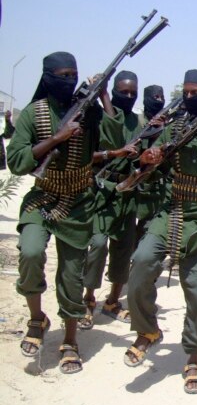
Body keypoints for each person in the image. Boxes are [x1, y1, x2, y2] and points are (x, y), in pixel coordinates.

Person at [124, 69, 197, 395]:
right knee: (142, 264)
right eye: (185, 94)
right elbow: (151, 163)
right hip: (173, 212)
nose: (189, 99)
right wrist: (150, 157)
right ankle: (148, 331)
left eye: (195, 94)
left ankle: (193, 355)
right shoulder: (175, 127)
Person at [7, 51, 103, 374]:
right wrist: (56, 139)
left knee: (71, 276)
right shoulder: (33, 114)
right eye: (62, 75)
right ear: (48, 77)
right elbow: (17, 161)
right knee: (31, 253)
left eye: (73, 75)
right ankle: (37, 318)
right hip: (43, 198)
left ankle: (70, 339)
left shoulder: (89, 113)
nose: (69, 80)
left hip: (77, 202)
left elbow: (118, 136)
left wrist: (102, 96)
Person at [80, 70, 142, 329]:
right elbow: (91, 151)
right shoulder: (95, 114)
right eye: (123, 91)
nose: (127, 96)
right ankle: (88, 300)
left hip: (127, 191)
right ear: (114, 90)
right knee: (97, 246)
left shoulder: (136, 121)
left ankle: (113, 301)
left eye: (132, 92)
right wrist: (103, 95)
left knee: (124, 248)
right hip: (101, 189)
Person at [135, 84, 169, 242]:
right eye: (156, 97)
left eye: (162, 97)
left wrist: (163, 129)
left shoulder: (167, 125)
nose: (160, 101)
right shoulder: (138, 123)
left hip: (161, 190)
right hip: (140, 187)